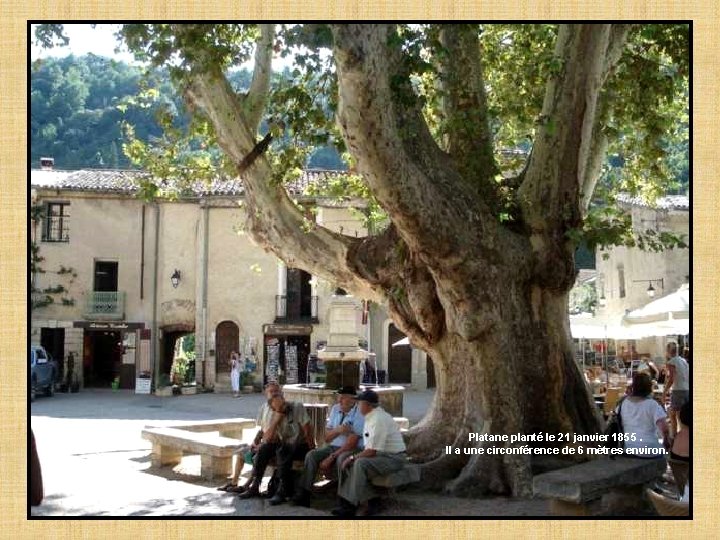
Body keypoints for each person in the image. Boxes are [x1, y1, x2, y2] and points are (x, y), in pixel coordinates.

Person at [332, 389, 407, 517]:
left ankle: (350, 505)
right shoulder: (371, 416)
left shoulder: (378, 419)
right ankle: (368, 501)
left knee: (359, 464)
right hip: (381, 455)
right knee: (350, 460)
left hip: (393, 458)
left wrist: (352, 457)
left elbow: (371, 451)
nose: (357, 406)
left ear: (367, 405)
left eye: (359, 403)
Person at [292, 385, 365, 507]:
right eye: (338, 397)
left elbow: (352, 442)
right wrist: (338, 430)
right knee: (311, 455)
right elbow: (326, 437)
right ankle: (304, 494)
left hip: (351, 449)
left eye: (343, 398)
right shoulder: (336, 409)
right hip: (332, 447)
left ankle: (344, 500)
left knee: (341, 460)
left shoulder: (359, 413)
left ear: (353, 400)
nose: (339, 400)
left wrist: (331, 457)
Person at [241, 393, 315, 505]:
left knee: (283, 450)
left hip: (301, 445)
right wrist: (276, 420)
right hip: (284, 445)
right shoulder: (274, 414)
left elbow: (307, 430)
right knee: (264, 448)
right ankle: (255, 485)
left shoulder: (297, 407)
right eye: (279, 407)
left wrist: (312, 448)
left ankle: (282, 490)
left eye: (283, 403)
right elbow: (267, 438)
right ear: (273, 409)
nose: (283, 407)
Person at [217, 381, 281, 493]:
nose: (274, 393)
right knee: (241, 452)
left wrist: (261, 445)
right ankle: (234, 482)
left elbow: (277, 434)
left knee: (258, 456)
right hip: (264, 441)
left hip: (272, 444)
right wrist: (255, 441)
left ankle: (249, 485)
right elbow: (262, 429)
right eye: (271, 391)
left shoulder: (280, 408)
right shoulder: (264, 407)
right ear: (266, 393)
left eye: (276, 391)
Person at [621, 372, 670, 458]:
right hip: (649, 449)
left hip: (627, 447)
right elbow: (664, 430)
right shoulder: (652, 405)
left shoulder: (624, 403)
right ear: (649, 387)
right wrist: (667, 444)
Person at [663, 342, 690, 438]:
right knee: (679, 415)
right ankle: (678, 436)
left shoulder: (671, 362)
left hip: (678, 390)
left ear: (668, 351)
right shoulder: (684, 361)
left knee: (676, 416)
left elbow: (671, 379)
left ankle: (675, 437)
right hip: (687, 390)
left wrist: (664, 391)